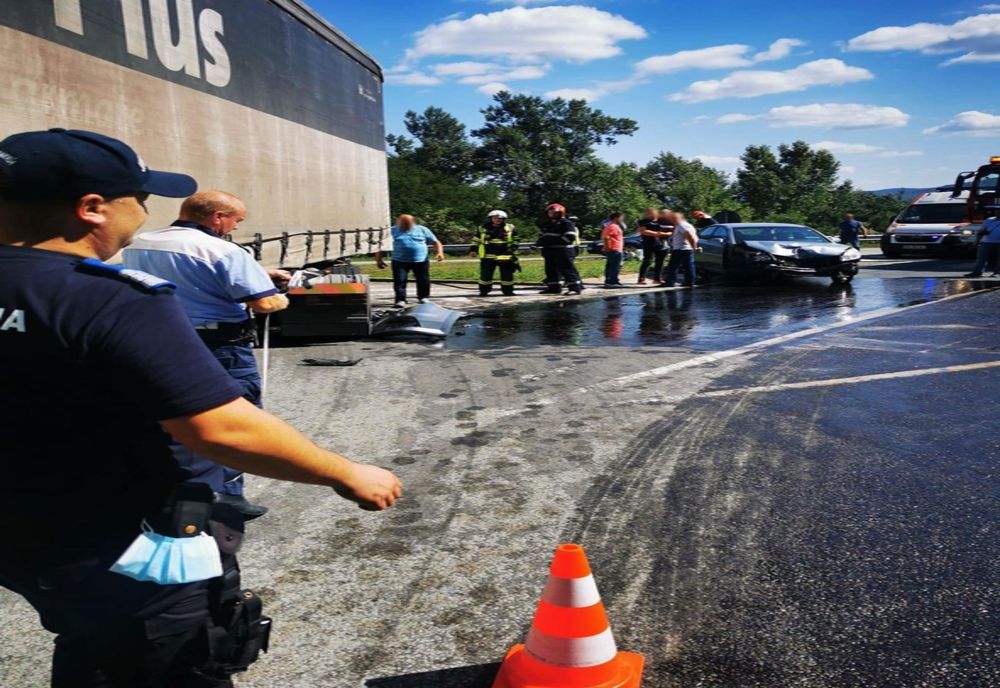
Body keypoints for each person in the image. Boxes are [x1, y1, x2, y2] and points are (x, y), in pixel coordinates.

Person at [0, 129, 402, 687]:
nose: (144, 211)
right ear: (91, 208)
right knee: (169, 658)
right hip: (132, 546)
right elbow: (220, 428)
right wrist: (346, 472)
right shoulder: (106, 297)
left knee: (88, 639)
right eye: (138, 197)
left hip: (27, 537)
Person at [122, 190, 290, 519]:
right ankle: (227, 496)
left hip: (163, 339)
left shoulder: (142, 241)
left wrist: (259, 275)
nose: (235, 228)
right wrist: (277, 293)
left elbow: (184, 278)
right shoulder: (224, 250)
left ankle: (175, 485)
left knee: (174, 414)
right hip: (220, 345)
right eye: (235, 221)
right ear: (216, 217)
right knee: (234, 419)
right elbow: (265, 303)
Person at [374, 214, 444, 307]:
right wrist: (379, 260)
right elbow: (382, 246)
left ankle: (423, 297)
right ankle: (400, 300)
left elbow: (436, 242)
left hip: (421, 260)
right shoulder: (392, 231)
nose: (405, 225)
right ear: (399, 222)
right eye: (403, 223)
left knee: (423, 280)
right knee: (400, 281)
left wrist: (440, 253)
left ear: (413, 222)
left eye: (408, 223)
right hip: (399, 261)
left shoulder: (422, 229)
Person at [536, 203, 583, 295]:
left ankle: (574, 288)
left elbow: (570, 237)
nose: (552, 214)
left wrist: (553, 241)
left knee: (567, 269)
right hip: (549, 250)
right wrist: (539, 243)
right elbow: (543, 236)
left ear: (561, 213)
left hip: (563, 250)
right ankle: (554, 287)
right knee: (551, 270)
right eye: (550, 212)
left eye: (554, 212)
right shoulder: (547, 224)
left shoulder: (566, 223)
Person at [473, 209, 519, 296]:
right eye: (495, 218)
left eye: (501, 218)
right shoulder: (483, 228)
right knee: (485, 276)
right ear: (491, 218)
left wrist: (513, 247)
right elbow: (476, 240)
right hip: (487, 256)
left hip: (505, 256)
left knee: (507, 276)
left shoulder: (510, 227)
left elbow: (516, 239)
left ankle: (508, 291)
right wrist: (473, 250)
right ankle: (484, 291)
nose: (498, 220)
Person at [664, 212, 700, 288]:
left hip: (680, 249)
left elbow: (689, 235)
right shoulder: (689, 225)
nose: (671, 220)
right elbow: (695, 237)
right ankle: (689, 282)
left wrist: (694, 247)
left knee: (673, 266)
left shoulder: (682, 225)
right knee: (688, 266)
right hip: (687, 249)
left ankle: (670, 282)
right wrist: (694, 247)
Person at [636, 207, 671, 285]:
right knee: (647, 261)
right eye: (647, 212)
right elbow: (643, 231)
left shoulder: (661, 221)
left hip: (661, 244)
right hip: (648, 243)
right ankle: (641, 278)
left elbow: (669, 230)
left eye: (651, 212)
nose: (648, 214)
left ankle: (657, 278)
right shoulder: (643, 221)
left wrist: (664, 234)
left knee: (660, 261)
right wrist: (657, 233)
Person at [964, 210, 1000, 277]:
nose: (998, 212)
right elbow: (981, 231)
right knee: (981, 258)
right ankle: (977, 272)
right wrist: (976, 242)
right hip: (987, 241)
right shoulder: (989, 220)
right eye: (997, 211)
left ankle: (997, 273)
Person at [601, 211, 626, 288]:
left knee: (610, 265)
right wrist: (608, 247)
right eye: (621, 218)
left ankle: (609, 281)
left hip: (613, 249)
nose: (622, 220)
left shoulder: (609, 226)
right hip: (614, 249)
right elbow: (606, 237)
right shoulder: (613, 226)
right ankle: (613, 281)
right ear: (616, 218)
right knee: (615, 266)